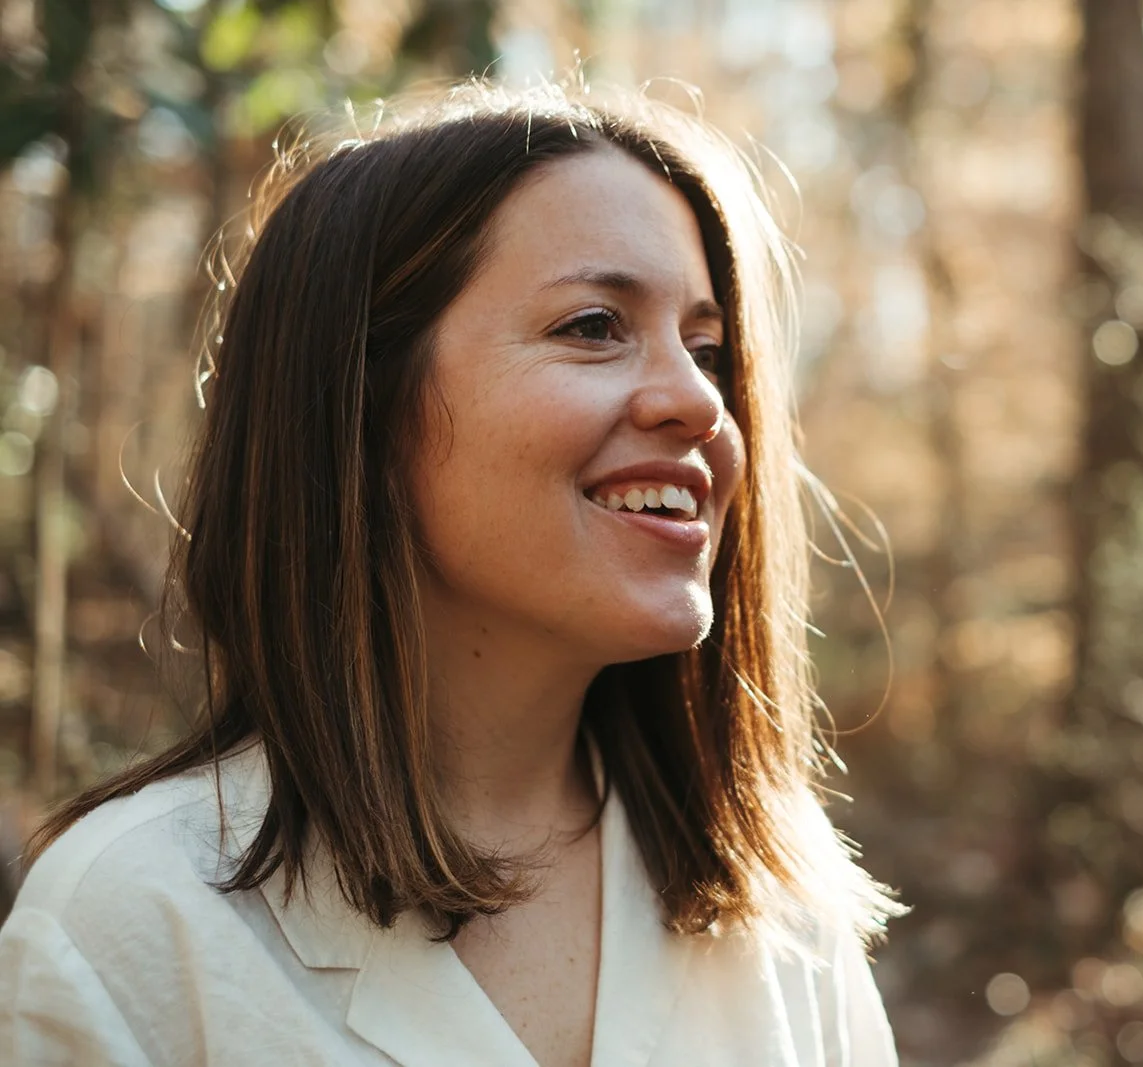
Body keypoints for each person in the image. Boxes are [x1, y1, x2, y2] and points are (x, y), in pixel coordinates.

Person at [0, 80, 901, 1066]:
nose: (700, 403)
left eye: (708, 349)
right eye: (594, 325)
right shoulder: (128, 924)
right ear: (359, 405)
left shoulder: (785, 903)